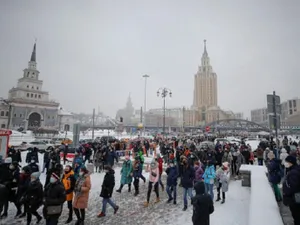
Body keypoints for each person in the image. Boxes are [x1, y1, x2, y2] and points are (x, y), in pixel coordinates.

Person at [283, 155, 300, 225]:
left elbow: (293, 187)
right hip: (295, 198)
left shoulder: (294, 172)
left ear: (290, 162)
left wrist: (286, 193)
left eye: (286, 162)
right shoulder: (293, 170)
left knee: (297, 216)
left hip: (294, 199)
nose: (285, 163)